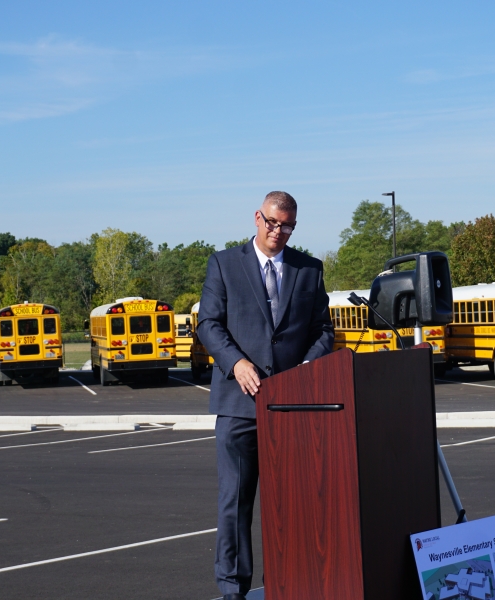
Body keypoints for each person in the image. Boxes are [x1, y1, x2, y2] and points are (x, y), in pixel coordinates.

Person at [197, 191, 334, 599]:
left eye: (287, 225)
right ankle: (232, 589)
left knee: (293, 504)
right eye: (273, 222)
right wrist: (236, 363)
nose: (279, 231)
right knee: (235, 504)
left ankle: (290, 583)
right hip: (239, 407)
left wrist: (308, 369)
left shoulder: (309, 269)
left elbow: (323, 331)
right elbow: (208, 323)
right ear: (257, 217)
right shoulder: (223, 264)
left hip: (292, 406)